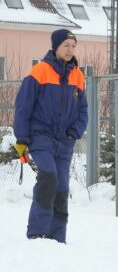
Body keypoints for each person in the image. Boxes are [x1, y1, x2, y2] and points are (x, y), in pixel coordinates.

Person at [13, 29, 88, 242]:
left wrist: (75, 132)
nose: (70, 50)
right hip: (41, 135)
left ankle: (56, 237)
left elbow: (83, 110)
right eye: (66, 45)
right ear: (56, 46)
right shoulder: (39, 71)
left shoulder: (78, 75)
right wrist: (21, 138)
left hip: (65, 140)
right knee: (48, 177)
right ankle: (36, 233)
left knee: (62, 187)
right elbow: (23, 106)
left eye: (73, 46)